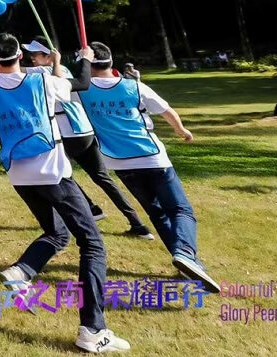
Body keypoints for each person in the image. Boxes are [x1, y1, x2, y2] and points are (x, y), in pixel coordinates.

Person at [0, 33, 129, 354]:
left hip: (19, 173)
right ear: (20, 55)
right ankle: (92, 329)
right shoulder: (41, 80)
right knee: (92, 244)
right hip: (52, 171)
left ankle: (21, 271)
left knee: (57, 233)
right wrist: (83, 58)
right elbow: (81, 84)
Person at [77, 42, 221, 293]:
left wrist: (82, 63)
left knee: (157, 213)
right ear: (111, 62)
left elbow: (63, 83)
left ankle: (185, 261)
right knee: (181, 210)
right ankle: (185, 253)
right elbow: (166, 110)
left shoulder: (81, 91)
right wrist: (182, 131)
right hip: (151, 157)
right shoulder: (133, 86)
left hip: (119, 162)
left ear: (89, 63)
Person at [22, 38, 154, 241]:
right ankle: (137, 224)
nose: (31, 58)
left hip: (68, 133)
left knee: (59, 175)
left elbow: (16, 71)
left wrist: (0, 60)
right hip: (84, 131)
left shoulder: (45, 71)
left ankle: (90, 210)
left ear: (48, 56)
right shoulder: (61, 69)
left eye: (35, 54)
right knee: (103, 178)